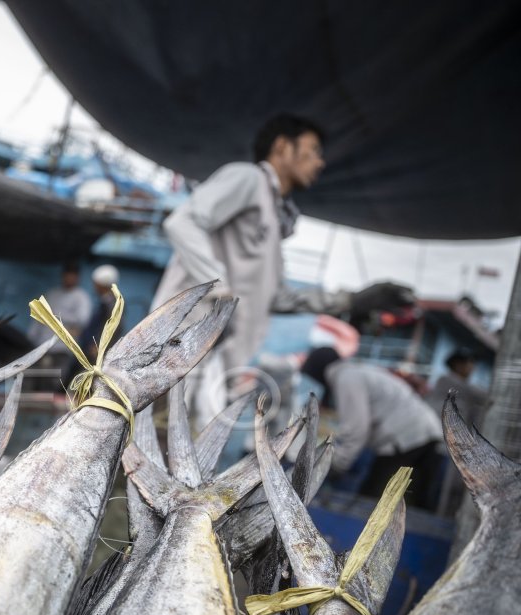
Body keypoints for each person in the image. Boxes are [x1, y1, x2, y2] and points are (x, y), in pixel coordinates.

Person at [151, 113, 414, 426]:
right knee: (150, 443)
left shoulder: (274, 221)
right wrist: (220, 286)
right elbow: (182, 222)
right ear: (282, 147)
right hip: (178, 349)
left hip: (213, 363)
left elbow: (276, 298)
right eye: (314, 150)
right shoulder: (247, 178)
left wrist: (352, 301)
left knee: (182, 454)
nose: (321, 163)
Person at [301, 347, 443, 510]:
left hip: (406, 439)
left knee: (370, 506)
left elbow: (356, 430)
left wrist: (336, 465)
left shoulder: (346, 378)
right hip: (426, 434)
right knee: (414, 506)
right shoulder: (358, 371)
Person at [29, 262, 92, 389]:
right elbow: (40, 316)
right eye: (66, 275)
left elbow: (82, 320)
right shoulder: (53, 293)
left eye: (72, 275)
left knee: (54, 383)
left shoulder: (81, 297)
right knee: (36, 381)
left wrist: (57, 316)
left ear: (77, 277)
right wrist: (31, 338)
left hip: (62, 348)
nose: (68, 278)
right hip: (42, 346)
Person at [427, 348, 488, 428]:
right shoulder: (448, 381)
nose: (473, 368)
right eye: (469, 362)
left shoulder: (450, 382)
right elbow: (484, 396)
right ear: (458, 365)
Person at [80, 263, 121, 361]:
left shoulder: (112, 304)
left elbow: (113, 327)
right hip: (89, 347)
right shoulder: (105, 302)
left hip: (96, 350)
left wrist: (99, 346)